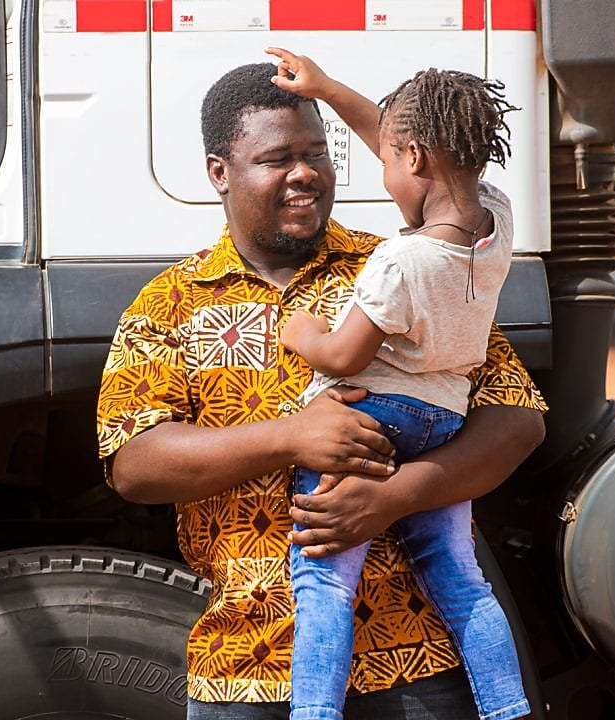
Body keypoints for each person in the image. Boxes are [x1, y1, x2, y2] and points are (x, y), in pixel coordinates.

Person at [96, 60, 546, 719]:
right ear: (220, 172)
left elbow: (517, 417)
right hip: (245, 671)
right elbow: (133, 462)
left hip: (411, 666)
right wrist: (291, 436)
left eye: (316, 155)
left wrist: (392, 498)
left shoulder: (402, 262)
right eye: (278, 158)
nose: (304, 173)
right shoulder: (169, 304)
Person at [267, 49, 529, 720]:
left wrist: (302, 334)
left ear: (414, 158)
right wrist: (326, 88)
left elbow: (347, 355)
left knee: (325, 583)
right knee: (464, 583)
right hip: (444, 420)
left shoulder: (400, 261)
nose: (384, 174)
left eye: (388, 162)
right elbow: (398, 137)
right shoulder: (496, 221)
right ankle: (508, 711)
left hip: (372, 417)